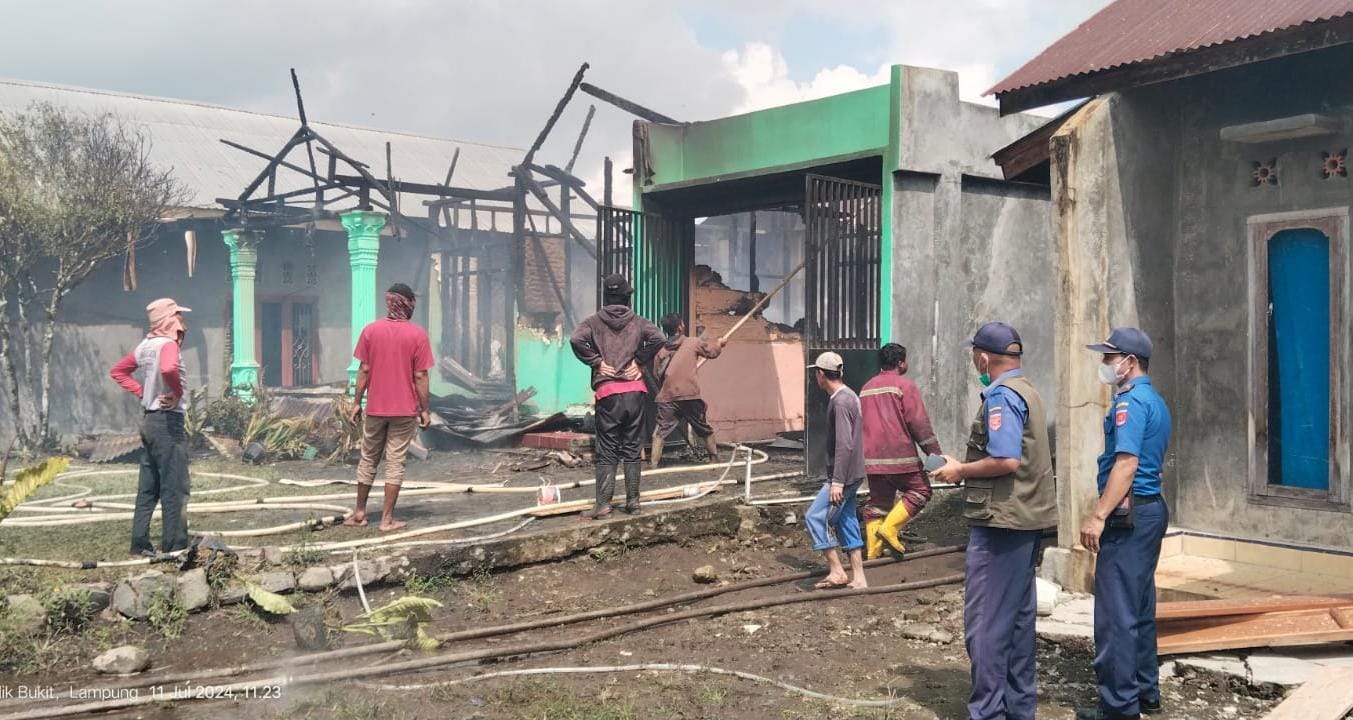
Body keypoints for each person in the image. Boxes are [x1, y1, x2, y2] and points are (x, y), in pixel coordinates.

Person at [931, 321, 1056, 720]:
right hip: (1026, 522)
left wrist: (959, 470)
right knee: (1018, 623)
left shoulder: (1001, 397)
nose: (974, 361)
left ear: (984, 357)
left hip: (1001, 524)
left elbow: (1006, 459)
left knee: (984, 623)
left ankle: (986, 712)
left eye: (975, 355)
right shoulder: (1029, 391)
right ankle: (1020, 709)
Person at [1076, 328, 1171, 720]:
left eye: (1109, 358)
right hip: (1151, 512)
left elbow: (1126, 464)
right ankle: (1146, 692)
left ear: (1130, 362)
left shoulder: (1129, 404)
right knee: (1140, 606)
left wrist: (1098, 515)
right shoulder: (1156, 400)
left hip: (1128, 517)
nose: (1104, 365)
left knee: (1116, 615)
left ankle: (1118, 707)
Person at [570, 274, 665, 518]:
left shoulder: (593, 322)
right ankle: (633, 502)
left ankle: (603, 504)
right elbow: (659, 338)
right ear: (626, 297)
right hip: (635, 392)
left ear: (606, 297)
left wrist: (597, 362)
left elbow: (575, 339)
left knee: (608, 449)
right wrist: (640, 361)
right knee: (632, 448)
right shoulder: (639, 322)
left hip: (608, 393)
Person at [345, 283, 433, 532]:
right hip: (404, 411)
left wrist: (356, 402)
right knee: (395, 462)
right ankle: (386, 520)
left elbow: (364, 369)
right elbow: (420, 376)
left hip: (375, 408)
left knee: (368, 457)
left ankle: (360, 513)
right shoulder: (417, 335)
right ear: (408, 304)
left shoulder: (371, 331)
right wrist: (425, 409)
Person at [109, 298, 193, 557]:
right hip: (167, 422)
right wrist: (177, 392)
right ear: (170, 320)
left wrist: (142, 391)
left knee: (148, 486)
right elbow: (168, 368)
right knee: (174, 486)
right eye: (179, 315)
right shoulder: (167, 345)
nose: (182, 322)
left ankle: (139, 544)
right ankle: (175, 547)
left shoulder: (145, 345)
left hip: (149, 420)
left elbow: (118, 371)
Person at [859, 342, 942, 559]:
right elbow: (919, 424)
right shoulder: (904, 386)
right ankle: (889, 530)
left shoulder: (866, 388)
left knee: (877, 505)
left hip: (872, 460)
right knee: (921, 491)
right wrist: (936, 456)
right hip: (900, 457)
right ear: (900, 362)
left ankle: (873, 552)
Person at [803, 351, 868, 590]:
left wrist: (837, 481)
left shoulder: (840, 402)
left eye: (816, 374)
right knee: (846, 519)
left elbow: (844, 443)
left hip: (844, 475)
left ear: (821, 375)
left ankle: (837, 570)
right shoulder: (850, 396)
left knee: (814, 517)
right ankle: (859, 577)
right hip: (855, 472)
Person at [650, 313, 725, 468]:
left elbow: (656, 375)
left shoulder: (661, 352)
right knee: (704, 428)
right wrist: (720, 344)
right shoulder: (693, 342)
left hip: (667, 397)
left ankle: (653, 464)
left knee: (660, 432)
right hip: (689, 395)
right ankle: (714, 459)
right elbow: (712, 353)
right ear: (680, 327)